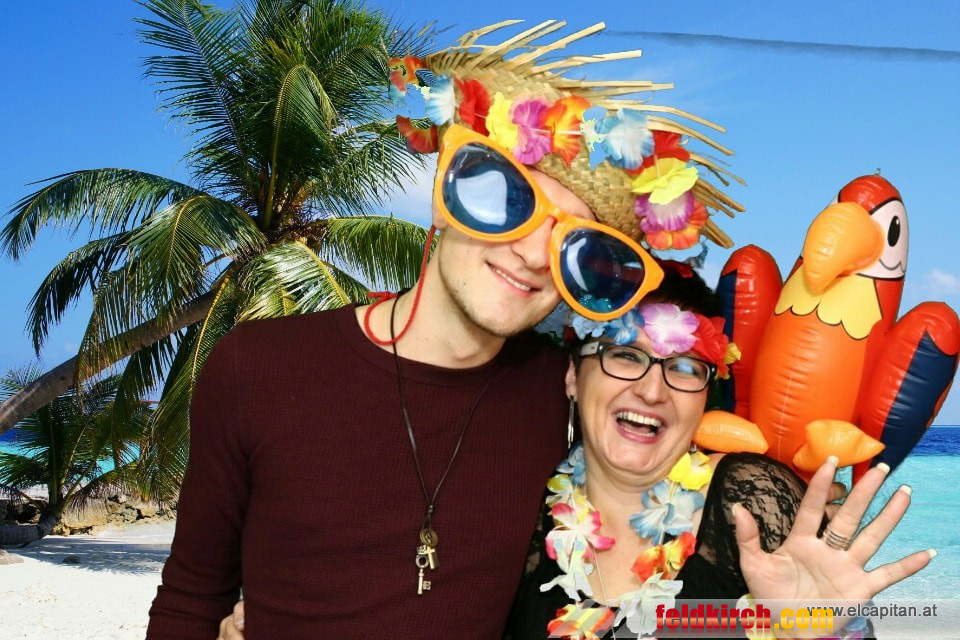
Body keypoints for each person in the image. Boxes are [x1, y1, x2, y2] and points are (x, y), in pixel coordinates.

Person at [147, 20, 744, 639]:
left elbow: (648, 557)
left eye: (573, 243)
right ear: (444, 191)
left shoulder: (556, 387)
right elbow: (191, 599)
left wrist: (797, 617)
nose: (532, 255)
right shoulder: (259, 367)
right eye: (510, 202)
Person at [503, 265, 933, 638]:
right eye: (626, 355)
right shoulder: (523, 521)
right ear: (573, 376)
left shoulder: (748, 499)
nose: (652, 391)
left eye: (685, 367)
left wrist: (821, 633)